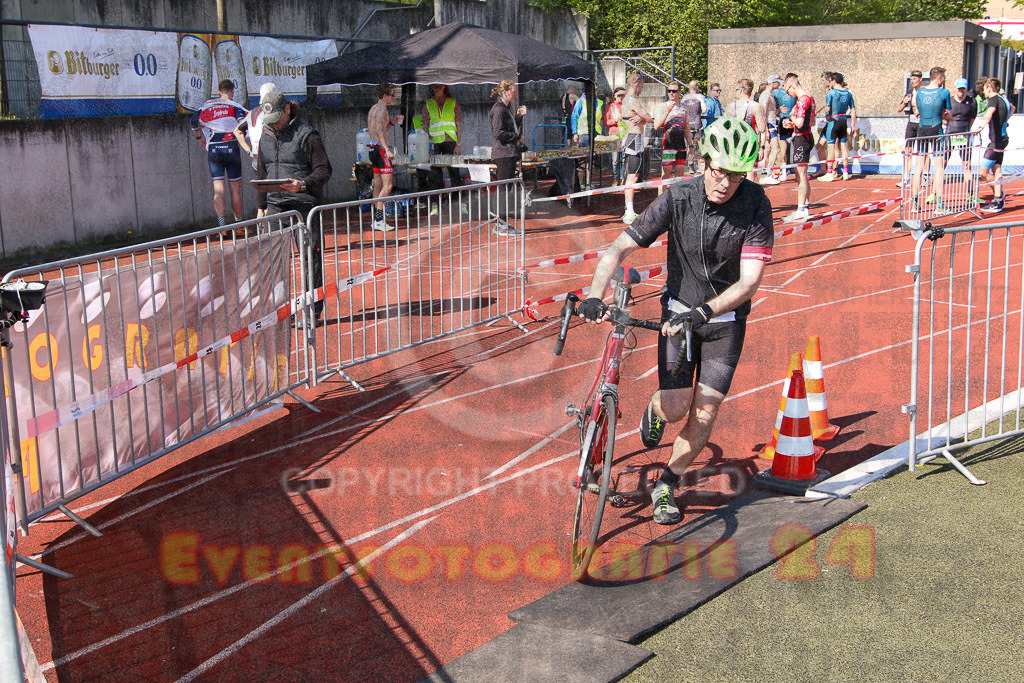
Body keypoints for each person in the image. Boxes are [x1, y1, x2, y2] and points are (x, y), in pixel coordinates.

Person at [578, 117, 771, 525]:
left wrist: (706, 311)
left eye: (736, 176)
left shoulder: (755, 202)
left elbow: (750, 280)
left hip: (725, 320)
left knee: (705, 413)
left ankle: (667, 482)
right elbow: (618, 248)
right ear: (704, 163)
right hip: (679, 313)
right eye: (719, 172)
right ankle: (656, 408)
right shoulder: (677, 196)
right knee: (675, 407)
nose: (725, 184)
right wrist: (595, 295)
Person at [256, 88, 333, 325]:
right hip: (275, 208)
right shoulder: (265, 135)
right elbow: (261, 170)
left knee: (311, 261)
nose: (274, 124)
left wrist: (302, 184)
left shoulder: (308, 135)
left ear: (287, 109)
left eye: (277, 118)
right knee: (273, 264)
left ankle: (312, 311)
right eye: (269, 120)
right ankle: (281, 313)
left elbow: (324, 170)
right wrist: (260, 206)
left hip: (304, 207)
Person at [191, 79, 248, 227]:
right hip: (232, 147)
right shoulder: (234, 105)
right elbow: (243, 121)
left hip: (214, 148)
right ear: (232, 91)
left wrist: (199, 138)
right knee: (235, 190)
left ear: (219, 91)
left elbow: (193, 121)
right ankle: (239, 226)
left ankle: (222, 226)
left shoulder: (206, 105)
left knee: (218, 190)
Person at [234, 82, 277, 218]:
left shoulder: (252, 113)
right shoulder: (273, 111)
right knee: (274, 193)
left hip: (256, 158)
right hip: (272, 158)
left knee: (262, 192)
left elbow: (237, 131)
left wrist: (249, 151)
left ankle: (261, 220)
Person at [489, 79, 527, 235]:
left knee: (506, 189)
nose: (515, 93)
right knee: (504, 190)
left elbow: (508, 129)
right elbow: (498, 133)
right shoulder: (499, 110)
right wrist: (517, 137)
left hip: (509, 153)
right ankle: (500, 224)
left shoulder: (506, 109)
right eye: (512, 90)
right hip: (503, 154)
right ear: (505, 92)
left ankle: (502, 223)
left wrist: (518, 117)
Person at [911, 67, 951, 211]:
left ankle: (915, 204)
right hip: (936, 129)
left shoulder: (920, 92)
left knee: (918, 168)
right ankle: (939, 204)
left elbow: (917, 109)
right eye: (944, 77)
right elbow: (949, 115)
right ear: (939, 78)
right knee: (939, 168)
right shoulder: (944, 92)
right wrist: (943, 114)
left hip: (922, 130)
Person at [421, 84, 465, 205]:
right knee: (434, 174)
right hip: (434, 143)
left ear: (444, 87)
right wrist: (425, 144)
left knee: (454, 172)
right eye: (434, 87)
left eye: (439, 86)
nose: (437, 89)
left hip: (451, 141)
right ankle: (436, 203)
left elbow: (459, 125)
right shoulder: (428, 104)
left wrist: (458, 144)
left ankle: (457, 202)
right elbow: (424, 126)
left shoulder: (453, 102)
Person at [367, 82, 403, 232]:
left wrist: (392, 123)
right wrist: (387, 149)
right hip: (380, 149)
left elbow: (380, 129)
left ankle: (376, 219)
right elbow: (380, 132)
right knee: (387, 185)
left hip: (373, 148)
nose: (394, 98)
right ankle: (379, 220)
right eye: (392, 95)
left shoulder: (374, 108)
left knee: (378, 185)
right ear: (385, 96)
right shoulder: (382, 109)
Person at [972, 77, 1011, 213]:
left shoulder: (993, 99)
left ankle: (998, 195)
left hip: (996, 141)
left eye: (984, 90)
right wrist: (1004, 120)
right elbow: (1012, 108)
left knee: (983, 172)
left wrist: (980, 127)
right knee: (997, 169)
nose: (984, 93)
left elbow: (989, 113)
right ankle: (998, 198)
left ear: (989, 88)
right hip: (1002, 139)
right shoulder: (1004, 99)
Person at [620, 73, 653, 225]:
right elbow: (649, 118)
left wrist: (642, 118)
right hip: (633, 138)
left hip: (634, 138)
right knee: (632, 176)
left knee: (634, 175)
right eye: (642, 85)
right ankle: (629, 211)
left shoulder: (629, 100)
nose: (642, 88)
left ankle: (630, 209)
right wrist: (644, 118)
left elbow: (645, 119)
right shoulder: (632, 101)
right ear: (637, 84)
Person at [782, 74, 815, 222]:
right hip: (804, 136)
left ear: (793, 86)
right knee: (801, 174)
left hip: (802, 139)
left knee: (801, 176)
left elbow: (801, 122)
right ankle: (805, 206)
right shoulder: (810, 98)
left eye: (789, 91)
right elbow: (811, 122)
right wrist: (792, 123)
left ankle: (801, 209)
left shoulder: (802, 101)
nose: (789, 95)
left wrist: (791, 117)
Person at [653, 81, 693, 194]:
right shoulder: (662, 106)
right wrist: (667, 111)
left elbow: (687, 128)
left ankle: (677, 198)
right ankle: (661, 200)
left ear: (679, 92)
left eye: (674, 91)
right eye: (669, 91)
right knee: (666, 174)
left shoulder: (684, 108)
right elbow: (656, 126)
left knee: (679, 174)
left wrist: (691, 146)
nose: (671, 93)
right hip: (668, 144)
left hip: (680, 145)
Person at [726, 79, 768, 182]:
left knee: (735, 173)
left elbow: (725, 127)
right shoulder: (756, 106)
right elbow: (762, 128)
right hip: (750, 143)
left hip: (734, 144)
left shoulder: (731, 106)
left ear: (740, 90)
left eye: (736, 90)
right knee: (750, 172)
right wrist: (762, 146)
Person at [821, 72, 856, 181]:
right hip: (843, 120)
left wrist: (827, 116)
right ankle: (845, 172)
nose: (829, 83)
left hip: (833, 120)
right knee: (844, 147)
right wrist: (853, 125)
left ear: (834, 81)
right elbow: (853, 110)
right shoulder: (848, 93)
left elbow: (827, 109)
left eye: (830, 81)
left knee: (830, 147)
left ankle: (829, 172)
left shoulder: (831, 93)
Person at [948, 77, 977, 199]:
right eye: (959, 88)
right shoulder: (949, 101)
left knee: (967, 165)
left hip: (964, 134)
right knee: (941, 164)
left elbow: (972, 118)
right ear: (955, 88)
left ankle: (970, 194)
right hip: (949, 134)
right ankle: (934, 193)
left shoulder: (972, 101)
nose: (961, 91)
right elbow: (944, 116)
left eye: (963, 88)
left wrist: (965, 131)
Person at [571, 90, 604, 189]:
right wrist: (575, 133)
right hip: (583, 133)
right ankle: (581, 183)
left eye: (596, 89)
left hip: (595, 133)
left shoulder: (598, 102)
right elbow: (574, 117)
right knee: (582, 159)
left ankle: (589, 183)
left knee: (591, 160)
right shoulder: (581, 101)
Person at [897, 69, 923, 188]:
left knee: (924, 151)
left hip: (923, 123)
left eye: (915, 79)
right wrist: (904, 103)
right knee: (908, 150)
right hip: (912, 122)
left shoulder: (924, 92)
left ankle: (924, 176)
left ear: (920, 79)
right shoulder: (909, 93)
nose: (913, 81)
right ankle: (906, 177)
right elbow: (899, 109)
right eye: (911, 79)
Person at [773, 73, 798, 183]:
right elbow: (771, 108)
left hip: (794, 120)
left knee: (796, 146)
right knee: (783, 146)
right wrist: (777, 114)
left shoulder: (795, 92)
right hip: (782, 121)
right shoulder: (776, 93)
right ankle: (783, 171)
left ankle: (797, 172)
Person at [680, 81, 707, 173]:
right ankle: (700, 166)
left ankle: (691, 166)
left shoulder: (684, 98)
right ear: (697, 87)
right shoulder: (700, 97)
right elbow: (704, 110)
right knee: (700, 146)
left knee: (690, 146)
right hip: (697, 124)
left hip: (687, 125)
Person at [760, 77, 782, 185]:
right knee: (776, 148)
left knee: (769, 150)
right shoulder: (766, 95)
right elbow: (763, 112)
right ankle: (767, 173)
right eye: (778, 82)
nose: (779, 85)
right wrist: (765, 130)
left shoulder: (770, 94)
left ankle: (765, 174)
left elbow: (769, 111)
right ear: (773, 82)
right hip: (769, 124)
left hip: (772, 122)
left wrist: (778, 111)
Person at [604, 86, 628, 185]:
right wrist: (615, 120)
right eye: (619, 95)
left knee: (623, 158)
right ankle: (615, 178)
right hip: (614, 134)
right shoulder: (611, 107)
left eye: (623, 95)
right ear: (614, 96)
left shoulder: (627, 106)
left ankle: (622, 178)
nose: (621, 97)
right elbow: (606, 121)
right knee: (615, 159)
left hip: (625, 134)